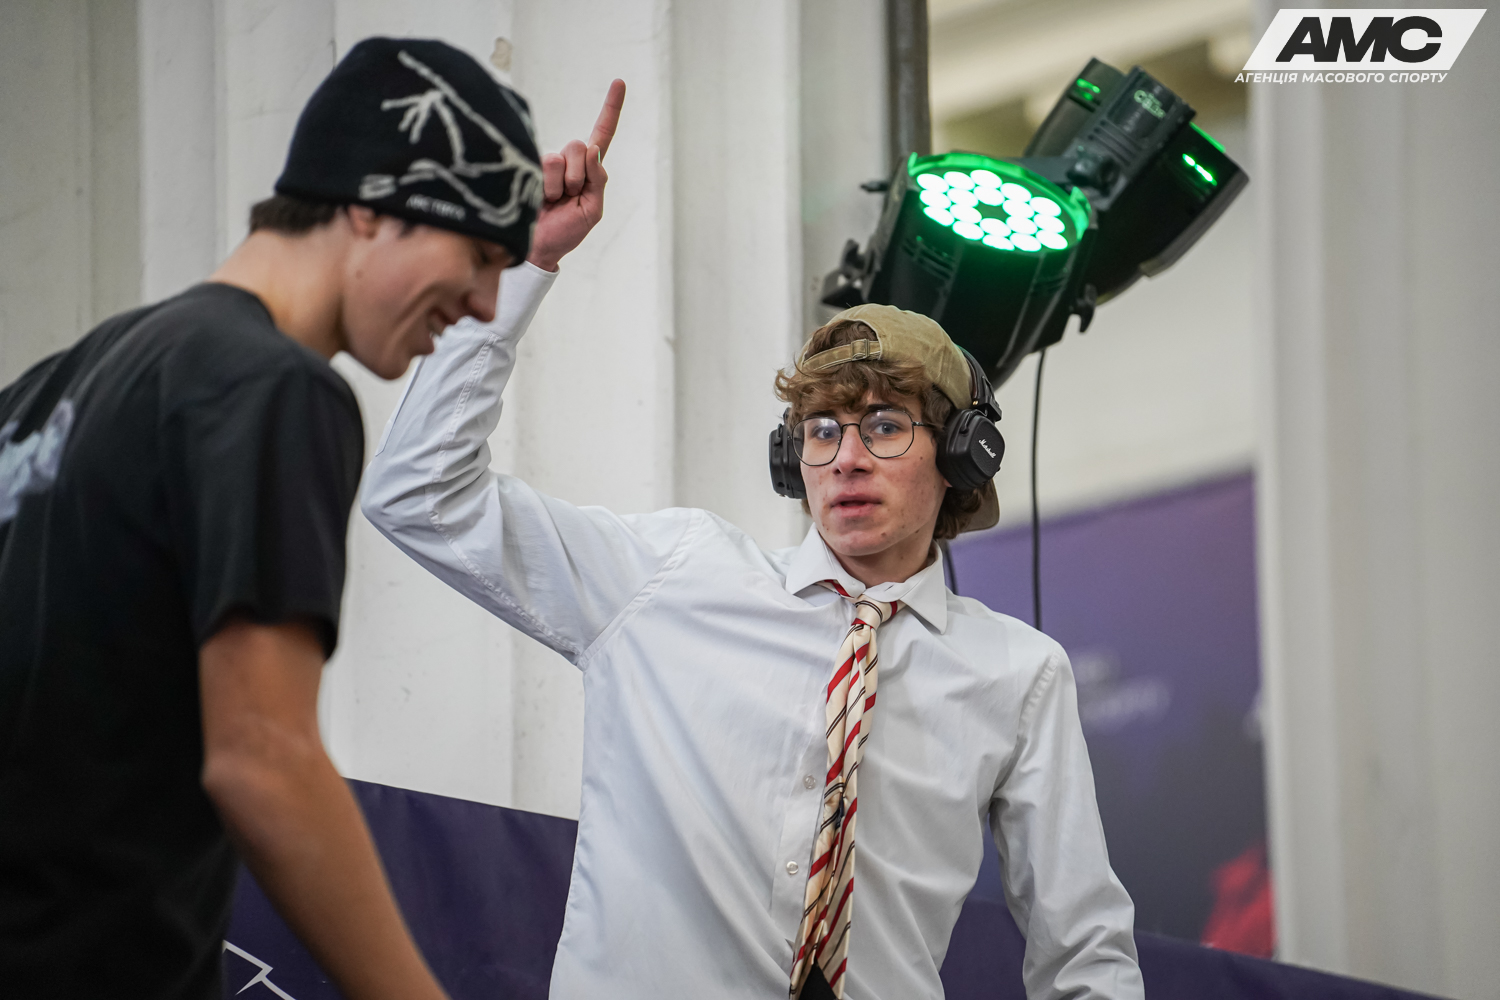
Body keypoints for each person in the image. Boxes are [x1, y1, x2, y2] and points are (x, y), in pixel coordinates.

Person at [361, 188, 1145, 994]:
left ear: (960, 454)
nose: (845, 458)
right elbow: (417, 493)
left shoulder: (1019, 673)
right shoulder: (670, 576)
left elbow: (1084, 951)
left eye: (884, 426)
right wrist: (523, 265)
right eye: (822, 430)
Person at [0, 35, 622, 999]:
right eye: (475, 256)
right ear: (369, 207)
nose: (480, 301)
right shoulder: (270, 388)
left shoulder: (57, 387)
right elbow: (263, 757)